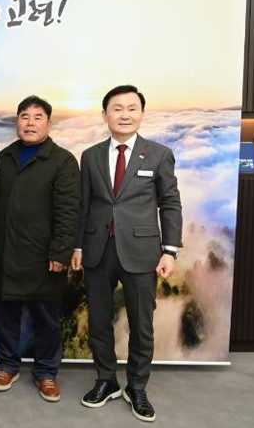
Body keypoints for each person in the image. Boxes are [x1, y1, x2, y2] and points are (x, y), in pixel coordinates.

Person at [71, 85, 182, 422]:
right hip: (98, 250)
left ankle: (137, 387)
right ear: (105, 115)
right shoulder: (90, 155)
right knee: (99, 321)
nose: (124, 114)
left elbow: (170, 203)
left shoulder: (159, 154)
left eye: (132, 108)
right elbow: (83, 206)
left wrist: (170, 250)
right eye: (117, 108)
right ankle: (106, 380)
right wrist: (78, 245)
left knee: (141, 323)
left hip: (142, 252)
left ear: (142, 114)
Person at [0, 95, 80, 401]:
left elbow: (69, 211)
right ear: (17, 122)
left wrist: (61, 252)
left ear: (49, 123)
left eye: (38, 117)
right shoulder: (6, 157)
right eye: (24, 117)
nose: (30, 123)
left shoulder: (62, 161)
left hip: (43, 256)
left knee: (46, 320)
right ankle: (7, 366)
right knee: (5, 315)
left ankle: (46, 373)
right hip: (6, 250)